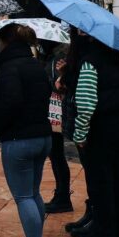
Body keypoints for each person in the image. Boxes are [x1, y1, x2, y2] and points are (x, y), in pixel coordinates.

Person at [62, 28, 119, 237]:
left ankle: (105, 236)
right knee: (117, 179)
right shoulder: (117, 60)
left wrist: (80, 134)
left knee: (100, 183)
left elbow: (86, 102)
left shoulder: (90, 62)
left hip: (100, 129)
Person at [0, 24, 52, 237]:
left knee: (24, 196)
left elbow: (10, 103)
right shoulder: (35, 64)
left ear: (5, 42)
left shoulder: (9, 68)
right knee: (34, 193)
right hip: (42, 135)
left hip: (19, 139)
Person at [41, 41, 73, 214]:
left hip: (56, 111)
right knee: (56, 156)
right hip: (56, 111)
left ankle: (63, 197)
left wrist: (58, 78)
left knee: (57, 155)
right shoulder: (52, 57)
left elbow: (58, 85)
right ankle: (61, 195)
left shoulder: (58, 58)